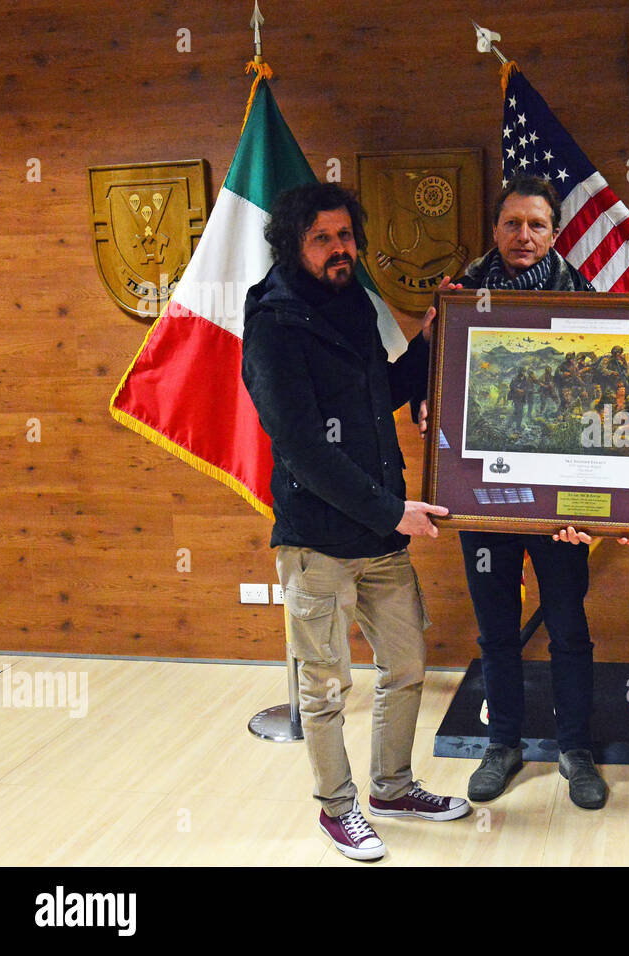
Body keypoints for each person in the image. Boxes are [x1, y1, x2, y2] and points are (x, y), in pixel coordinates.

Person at [241, 182, 468, 862]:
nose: (340, 249)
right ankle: (336, 811)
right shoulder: (274, 324)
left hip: (381, 535)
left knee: (406, 664)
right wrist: (392, 510)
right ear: (293, 244)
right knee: (326, 684)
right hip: (316, 541)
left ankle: (392, 787)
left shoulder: (354, 303)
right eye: (322, 239)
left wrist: (434, 336)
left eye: (345, 236)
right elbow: (303, 448)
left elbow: (385, 394)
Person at [434, 174, 629, 811]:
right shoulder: (459, 299)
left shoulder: (588, 300)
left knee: (568, 628)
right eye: (512, 224)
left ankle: (574, 748)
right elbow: (435, 397)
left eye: (536, 225)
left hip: (561, 505)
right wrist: (429, 348)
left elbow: (604, 407)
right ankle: (502, 743)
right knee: (496, 629)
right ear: (495, 230)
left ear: (555, 234)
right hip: (485, 499)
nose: (523, 236)